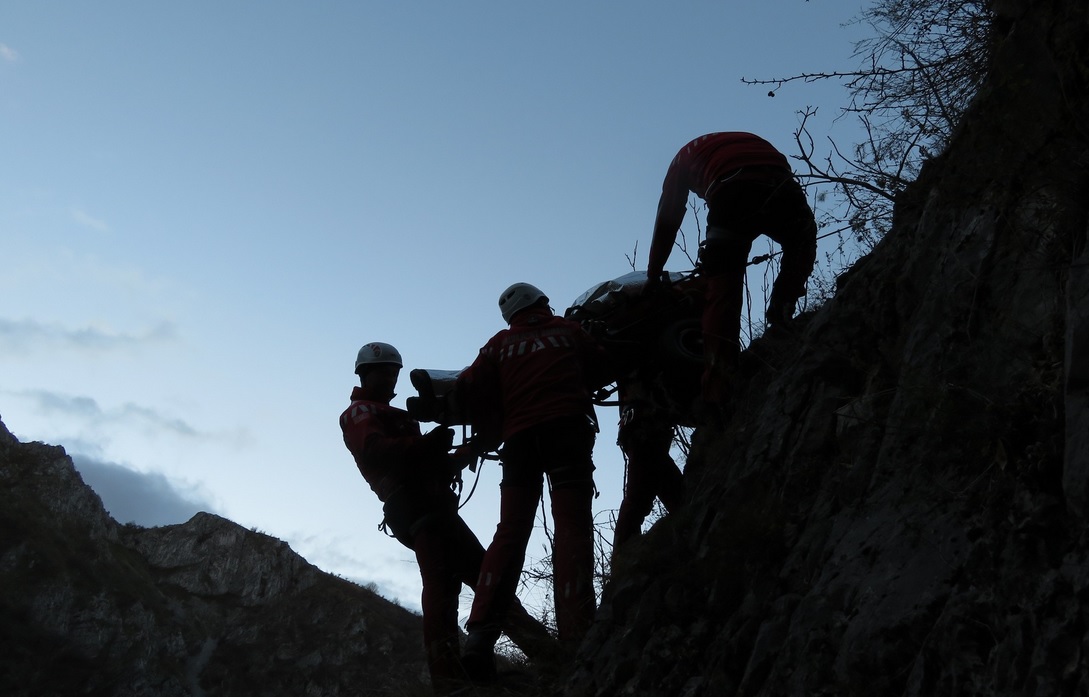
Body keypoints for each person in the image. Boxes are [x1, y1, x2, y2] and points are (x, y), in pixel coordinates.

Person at [339, 341, 554, 695]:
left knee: (470, 580)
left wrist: (465, 451)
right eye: (384, 372)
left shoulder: (388, 414)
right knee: (466, 583)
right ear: (365, 374)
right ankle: (478, 672)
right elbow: (376, 453)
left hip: (428, 504)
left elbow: (420, 460)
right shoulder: (360, 412)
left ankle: (467, 675)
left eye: (393, 372)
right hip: (417, 506)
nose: (390, 378)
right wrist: (430, 445)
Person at [454, 283, 614, 681]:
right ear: (542, 303)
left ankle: (479, 637)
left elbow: (469, 387)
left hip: (521, 443)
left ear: (510, 316)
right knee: (572, 528)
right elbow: (602, 366)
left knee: (510, 533)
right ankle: (577, 635)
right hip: (567, 435)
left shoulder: (498, 344)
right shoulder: (568, 330)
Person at [645, 131, 818, 406]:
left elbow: (669, 216)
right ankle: (782, 311)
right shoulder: (747, 139)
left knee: (722, 289)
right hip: (782, 186)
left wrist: (653, 273)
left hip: (732, 193)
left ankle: (719, 384)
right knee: (802, 243)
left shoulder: (681, 160)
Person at [611, 375, 684, 555]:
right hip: (643, 424)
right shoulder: (631, 353)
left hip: (648, 423)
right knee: (640, 496)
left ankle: (623, 560)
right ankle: (623, 560)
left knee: (680, 497)